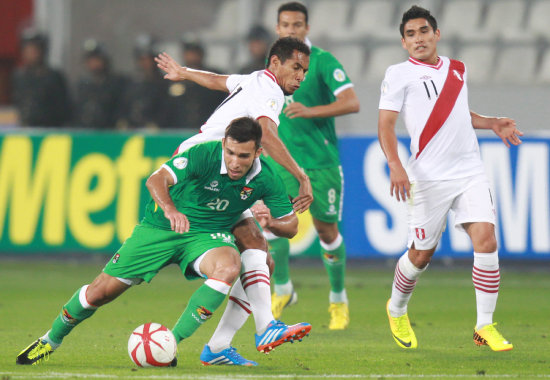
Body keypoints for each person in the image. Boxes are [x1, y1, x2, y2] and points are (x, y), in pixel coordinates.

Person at [16, 117, 310, 366]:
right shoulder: (202, 154)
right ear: (224, 145)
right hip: (161, 228)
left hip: (207, 234)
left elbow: (292, 226)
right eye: (230, 153)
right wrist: (170, 208)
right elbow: (155, 180)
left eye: (243, 156)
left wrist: (271, 221)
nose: (234, 162)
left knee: (230, 265)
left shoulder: (266, 177)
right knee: (99, 293)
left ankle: (172, 342)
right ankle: (50, 340)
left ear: (258, 152)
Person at [155, 36, 313, 365]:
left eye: (305, 71)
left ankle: (221, 345)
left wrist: (184, 72)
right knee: (249, 251)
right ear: (275, 63)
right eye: (296, 67)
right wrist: (301, 175)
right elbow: (267, 136)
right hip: (209, 170)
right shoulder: (268, 90)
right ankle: (261, 327)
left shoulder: (253, 80)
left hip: (221, 170)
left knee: (259, 254)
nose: (301, 76)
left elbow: (217, 81)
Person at [378, 5, 522, 351]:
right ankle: (396, 307)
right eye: (411, 34)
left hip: (469, 170)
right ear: (403, 42)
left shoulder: (458, 69)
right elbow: (385, 124)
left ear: (436, 34)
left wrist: (491, 122)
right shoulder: (398, 75)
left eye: (424, 31)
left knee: (486, 240)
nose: (418, 39)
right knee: (421, 256)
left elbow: (458, 114)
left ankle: (484, 325)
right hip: (428, 177)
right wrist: (395, 164)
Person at [267, 2, 360, 330]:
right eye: (285, 25)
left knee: (326, 231)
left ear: (307, 28)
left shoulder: (322, 62)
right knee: (273, 223)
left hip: (320, 164)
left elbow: (352, 102)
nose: (291, 30)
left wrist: (310, 111)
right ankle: (283, 289)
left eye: (297, 25)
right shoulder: (273, 65)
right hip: (282, 162)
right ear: (278, 29)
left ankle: (338, 299)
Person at [12, 29, 71, 127]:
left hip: (50, 129)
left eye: (34, 50)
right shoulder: (19, 76)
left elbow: (63, 108)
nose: (30, 53)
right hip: (26, 129)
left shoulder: (54, 76)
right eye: (27, 50)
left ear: (42, 51)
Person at [166, 36, 226, 128]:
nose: (192, 57)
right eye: (189, 53)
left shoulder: (214, 77)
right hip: (179, 132)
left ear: (202, 54)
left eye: (195, 53)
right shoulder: (174, 79)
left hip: (208, 131)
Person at [74, 39, 127, 129]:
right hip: (85, 135)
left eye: (97, 59)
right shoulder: (83, 86)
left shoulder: (117, 83)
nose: (94, 64)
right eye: (90, 60)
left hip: (109, 134)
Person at [120, 34, 170, 129]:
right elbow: (122, 106)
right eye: (141, 59)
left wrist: (157, 124)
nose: (144, 63)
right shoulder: (130, 83)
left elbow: (168, 109)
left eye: (148, 59)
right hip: (131, 131)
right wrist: (123, 121)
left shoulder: (164, 83)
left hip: (156, 133)